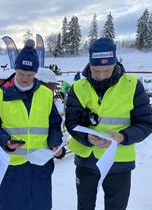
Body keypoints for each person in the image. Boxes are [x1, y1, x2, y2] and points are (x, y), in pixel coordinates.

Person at [65, 38, 152, 210]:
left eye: (107, 70)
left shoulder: (133, 85)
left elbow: (146, 123)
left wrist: (123, 137)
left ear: (116, 64)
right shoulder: (78, 87)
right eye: (96, 70)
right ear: (89, 64)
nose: (101, 75)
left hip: (119, 162)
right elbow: (71, 122)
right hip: (86, 160)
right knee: (84, 206)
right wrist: (86, 137)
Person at [0, 39, 64, 210]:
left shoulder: (46, 95)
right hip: (12, 168)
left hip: (39, 168)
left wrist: (56, 143)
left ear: (36, 73)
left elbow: (55, 125)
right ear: (15, 71)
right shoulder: (2, 95)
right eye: (21, 74)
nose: (26, 78)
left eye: (30, 75)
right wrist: (5, 141)